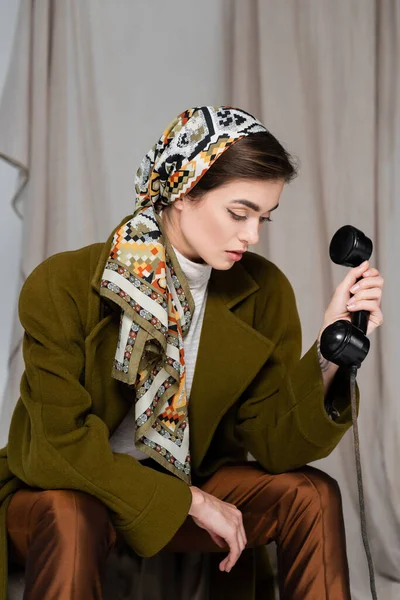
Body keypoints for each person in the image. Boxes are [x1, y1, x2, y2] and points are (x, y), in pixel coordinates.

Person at [0, 106, 384, 600]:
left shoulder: (263, 292)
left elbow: (276, 446)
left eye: (263, 218)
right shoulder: (63, 284)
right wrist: (188, 500)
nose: (252, 236)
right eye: (238, 213)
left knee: (310, 493)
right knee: (73, 512)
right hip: (69, 491)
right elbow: (57, 449)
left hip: (187, 482)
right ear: (183, 190)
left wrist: (330, 354)